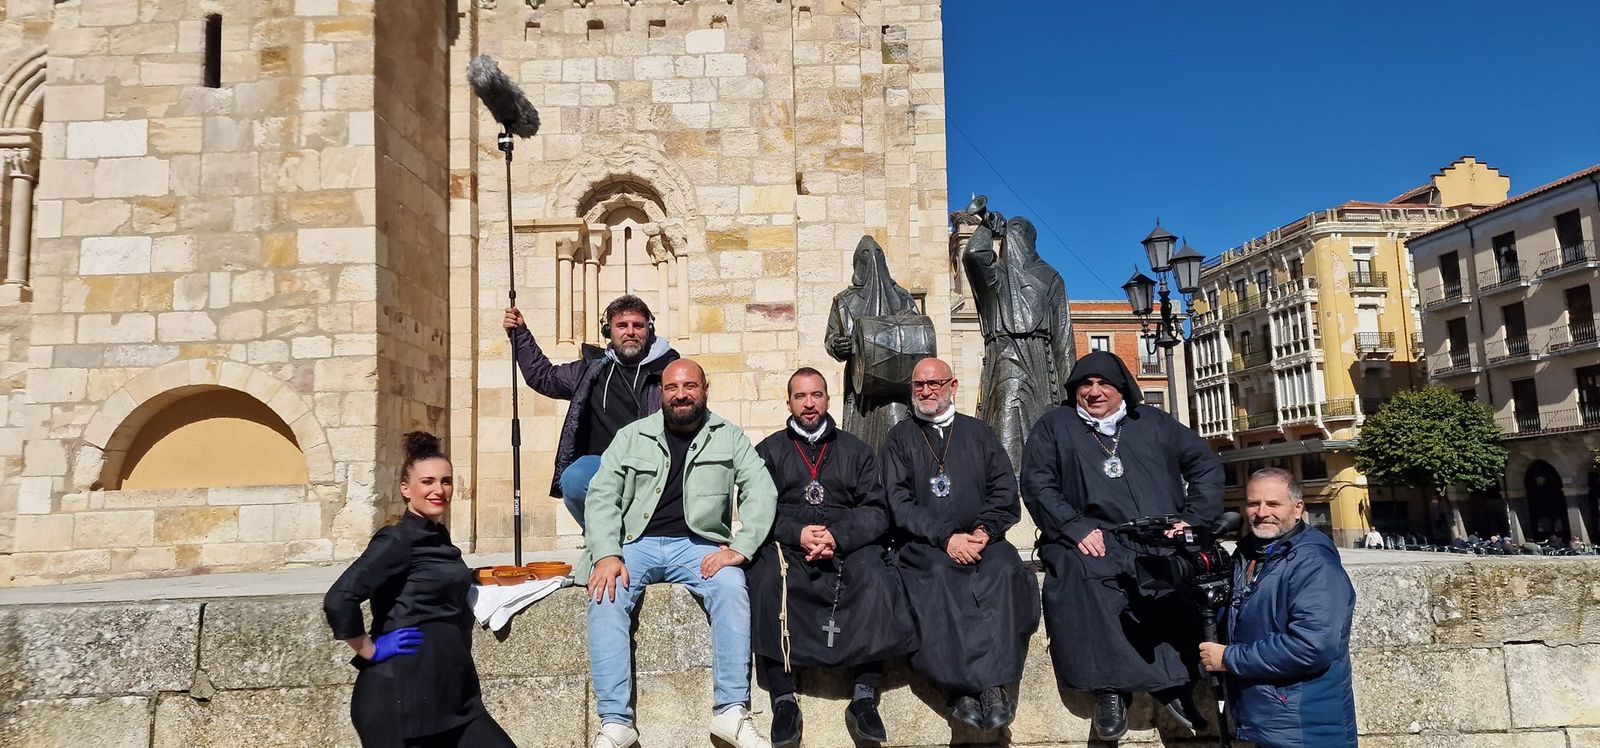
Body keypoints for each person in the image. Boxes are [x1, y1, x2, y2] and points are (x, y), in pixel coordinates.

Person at [1019, 350, 1223, 741]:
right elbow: (1038, 483)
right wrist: (1074, 527)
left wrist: (1194, 520)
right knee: (1087, 575)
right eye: (1085, 384)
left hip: (1156, 534)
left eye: (1103, 384)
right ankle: (1109, 692)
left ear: (1122, 389)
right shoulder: (1055, 426)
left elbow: (1205, 465)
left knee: (1173, 576)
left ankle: (1175, 687)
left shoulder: (1154, 422)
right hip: (1091, 536)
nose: (1094, 392)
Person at [580, 358, 778, 748]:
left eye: (690, 386)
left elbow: (760, 490)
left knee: (731, 587)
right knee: (606, 593)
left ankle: (731, 713)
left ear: (705, 390)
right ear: (662, 393)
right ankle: (616, 721)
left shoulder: (729, 436)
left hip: (698, 545)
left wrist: (740, 548)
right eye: (672, 387)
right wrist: (605, 553)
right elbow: (602, 495)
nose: (681, 394)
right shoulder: (632, 436)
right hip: (635, 543)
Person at [747, 368, 919, 747]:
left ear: (827, 399)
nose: (809, 404)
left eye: (817, 395)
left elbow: (876, 509)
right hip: (789, 546)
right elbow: (756, 508)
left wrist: (838, 537)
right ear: (789, 401)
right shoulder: (769, 451)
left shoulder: (856, 450)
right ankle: (783, 699)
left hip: (847, 546)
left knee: (877, 576)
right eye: (801, 396)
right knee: (766, 579)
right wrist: (799, 533)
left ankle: (864, 697)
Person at [323, 432, 515, 747]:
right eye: (427, 482)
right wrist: (370, 649)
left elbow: (432, 582)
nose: (439, 490)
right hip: (400, 699)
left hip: (454, 697)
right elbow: (339, 599)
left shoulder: (439, 538)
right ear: (406, 489)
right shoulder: (396, 540)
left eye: (446, 481)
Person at [880, 357, 1040, 732]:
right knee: (939, 578)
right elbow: (898, 501)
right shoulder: (900, 438)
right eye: (919, 385)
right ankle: (963, 689)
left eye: (934, 384)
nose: (926, 391)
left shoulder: (978, 433)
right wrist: (945, 537)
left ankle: (991, 686)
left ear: (952, 387)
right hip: (926, 545)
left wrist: (984, 531)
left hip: (983, 540)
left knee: (1004, 572)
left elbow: (1004, 490)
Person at [1201, 468, 1357, 748]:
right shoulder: (1250, 554)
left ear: (1298, 509)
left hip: (1305, 728)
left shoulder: (1313, 564)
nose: (1262, 512)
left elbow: (1313, 646)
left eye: (1273, 504)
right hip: (1265, 722)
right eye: (1253, 503)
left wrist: (1229, 659)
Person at [505, 294, 680, 526]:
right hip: (602, 464)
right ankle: (601, 540)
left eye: (637, 325)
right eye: (621, 325)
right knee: (575, 478)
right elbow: (544, 377)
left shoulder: (670, 370)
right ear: (609, 330)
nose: (630, 332)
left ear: (649, 330)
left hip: (652, 466)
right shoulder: (590, 369)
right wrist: (520, 334)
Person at [957, 197, 1075, 470]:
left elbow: (1063, 337)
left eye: (1017, 233)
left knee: (1043, 429)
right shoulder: (995, 277)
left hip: (1043, 366)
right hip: (1005, 356)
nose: (1013, 239)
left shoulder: (1051, 277)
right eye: (1009, 233)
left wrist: (1070, 395)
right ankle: (1008, 488)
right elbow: (973, 254)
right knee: (1005, 421)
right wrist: (987, 227)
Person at [826, 235, 920, 451]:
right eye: (866, 254)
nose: (873, 259)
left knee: (898, 433)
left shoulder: (903, 297)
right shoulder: (844, 300)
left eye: (878, 253)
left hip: (896, 387)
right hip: (862, 390)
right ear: (857, 262)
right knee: (861, 441)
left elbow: (917, 336)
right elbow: (831, 337)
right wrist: (838, 345)